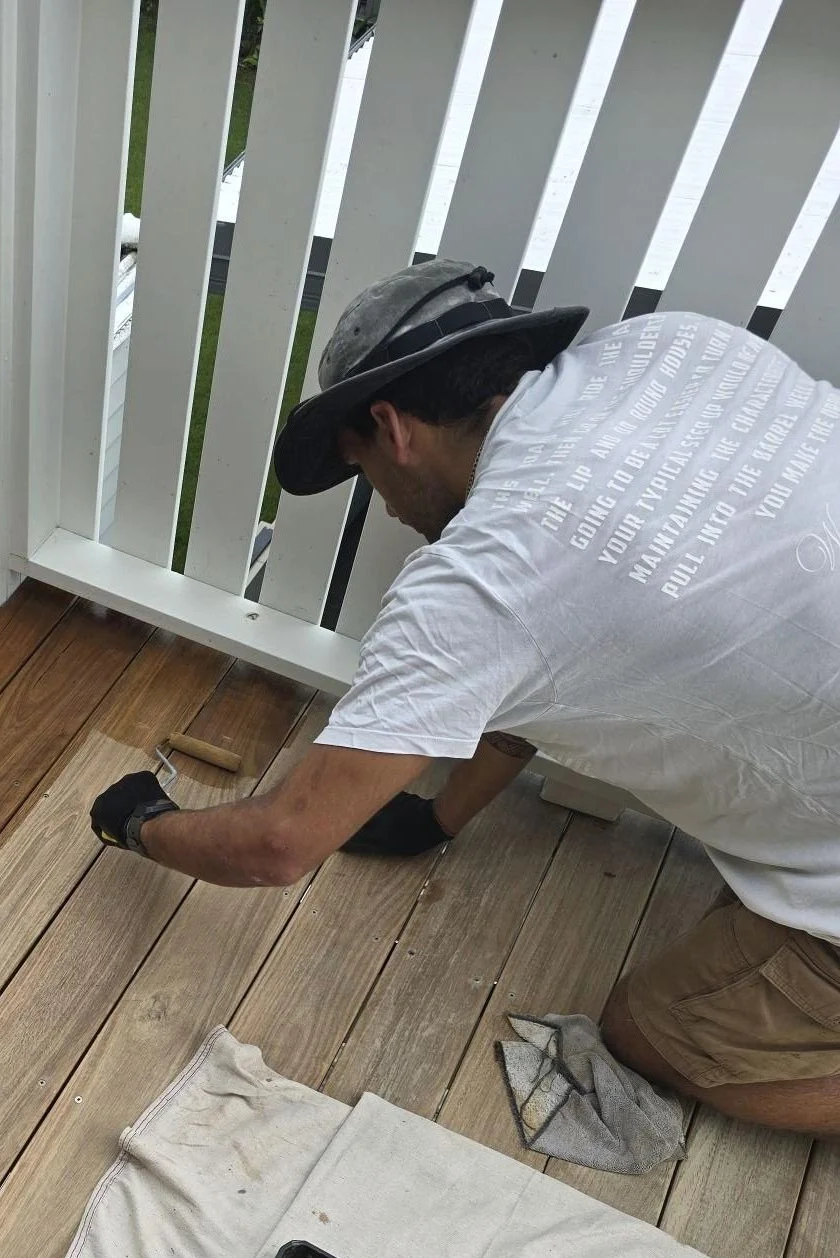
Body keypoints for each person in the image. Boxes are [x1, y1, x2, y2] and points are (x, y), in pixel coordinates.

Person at [89, 257, 840, 1136]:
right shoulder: (677, 349)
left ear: (391, 427)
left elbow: (279, 845)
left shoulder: (484, 580)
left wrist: (141, 821)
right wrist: (441, 819)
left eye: (361, 468)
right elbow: (572, 653)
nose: (384, 502)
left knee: (653, 1035)